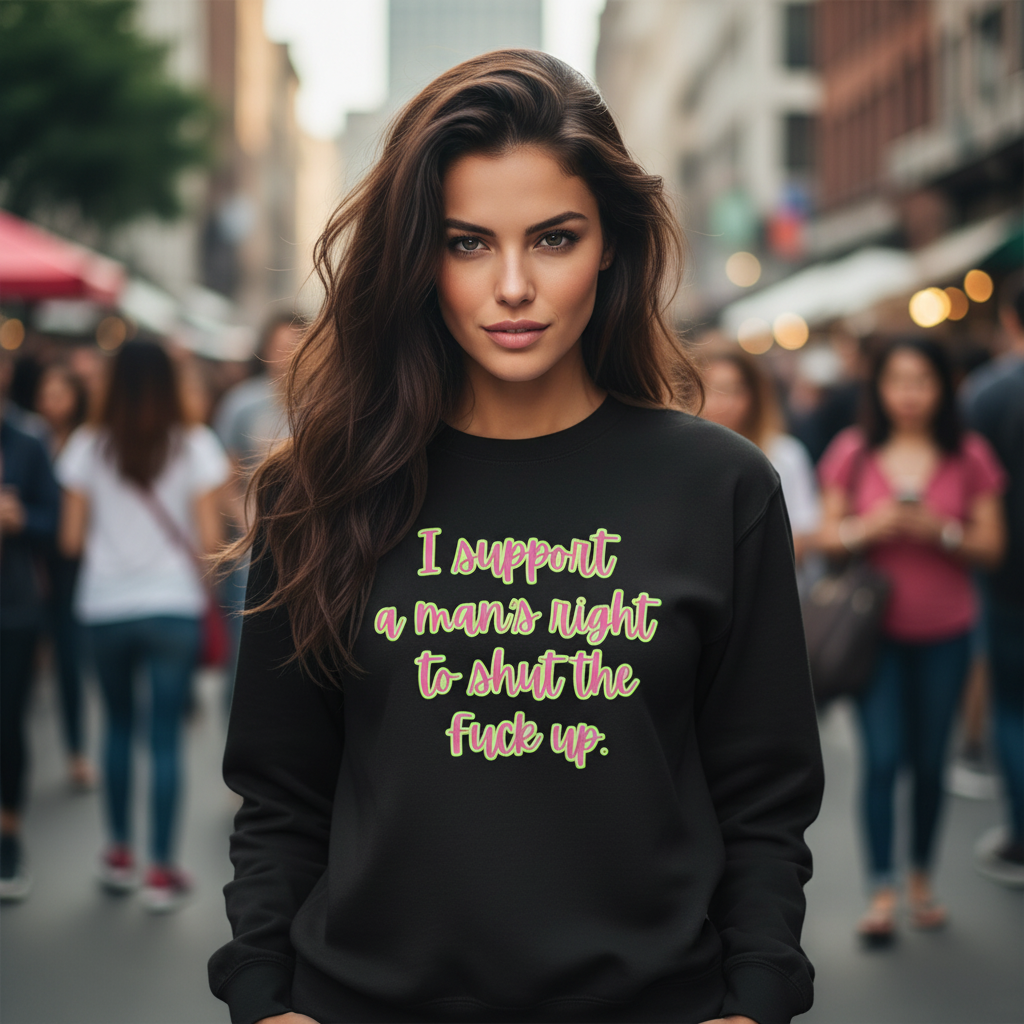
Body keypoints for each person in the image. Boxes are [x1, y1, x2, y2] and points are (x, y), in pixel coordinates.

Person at [208, 51, 823, 1024]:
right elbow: (281, 792)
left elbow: (765, 795)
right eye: (465, 243)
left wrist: (756, 996)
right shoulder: (320, 488)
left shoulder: (720, 487)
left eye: (553, 238)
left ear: (609, 245)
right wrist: (261, 995)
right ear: (419, 257)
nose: (511, 286)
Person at [817, 336, 1006, 944]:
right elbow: (825, 536)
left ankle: (921, 876)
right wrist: (868, 527)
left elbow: (993, 546)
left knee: (929, 763)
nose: (909, 393)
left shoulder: (969, 454)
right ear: (877, 388)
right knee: (881, 759)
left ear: (943, 388)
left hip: (947, 633)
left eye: (921, 380)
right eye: (896, 380)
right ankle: (881, 888)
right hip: (874, 637)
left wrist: (941, 531)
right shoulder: (852, 452)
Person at [56, 338, 229, 912]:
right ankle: (161, 870)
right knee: (165, 739)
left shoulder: (87, 445)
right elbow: (210, 541)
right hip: (172, 607)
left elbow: (70, 540)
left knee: (117, 728)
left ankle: (118, 855)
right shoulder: (195, 445)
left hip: (104, 607)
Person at [965, 275, 1024, 887]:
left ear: (1010, 321)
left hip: (1006, 574)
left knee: (1012, 706)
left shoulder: (987, 393)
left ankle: (1021, 837)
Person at [214, 312, 303, 685]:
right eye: (279, 346)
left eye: (295, 346)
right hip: (250, 549)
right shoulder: (241, 404)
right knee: (244, 650)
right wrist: (250, 524)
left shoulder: (325, 400)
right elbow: (223, 479)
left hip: (306, 547)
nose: (286, 355)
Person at [0, 359, 61, 901]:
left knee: (7, 724)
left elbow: (57, 522)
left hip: (14, 606)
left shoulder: (28, 438)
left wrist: (22, 520)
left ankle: (8, 835)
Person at [699, 345, 821, 596]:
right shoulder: (687, 461)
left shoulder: (784, 455)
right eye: (713, 390)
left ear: (753, 394)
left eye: (734, 390)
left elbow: (802, 535)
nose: (724, 403)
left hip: (772, 594)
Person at [35, 363, 94, 790]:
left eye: (60, 393)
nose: (51, 402)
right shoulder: (30, 439)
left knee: (69, 663)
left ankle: (76, 751)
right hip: (35, 564)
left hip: (72, 568)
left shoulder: (86, 443)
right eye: (46, 393)